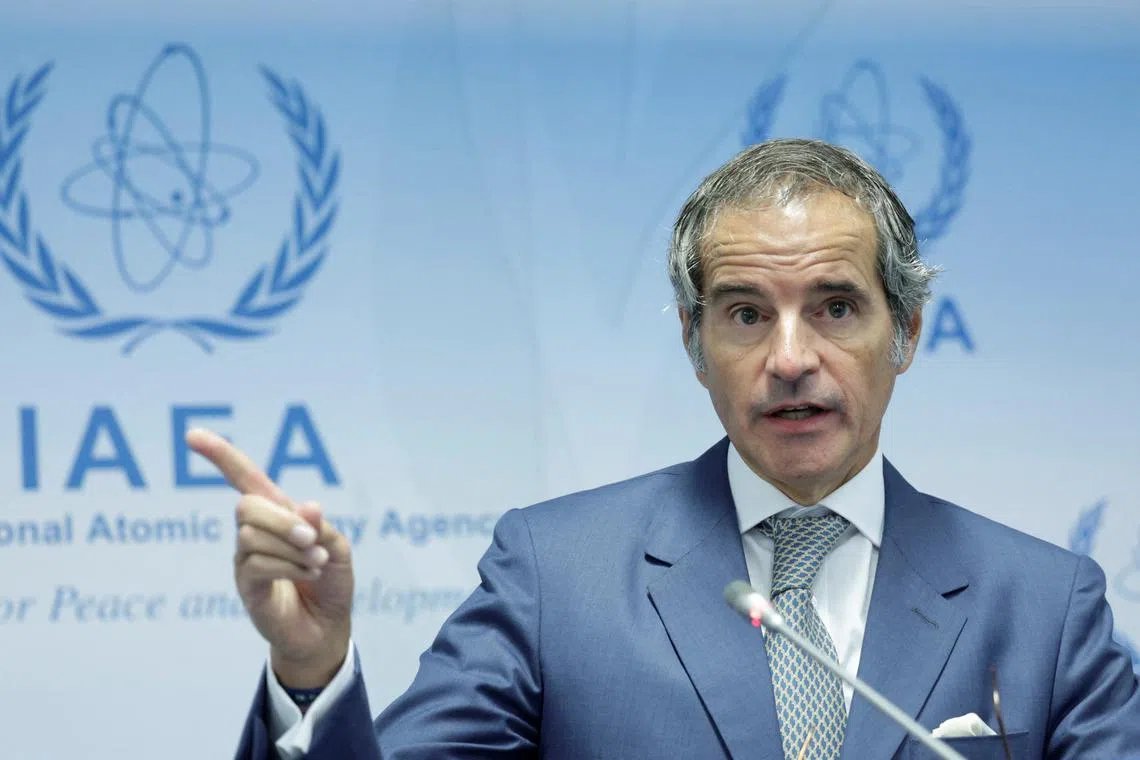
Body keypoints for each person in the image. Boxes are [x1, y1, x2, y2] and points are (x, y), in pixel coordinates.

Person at [189, 138, 1140, 760]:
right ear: (693, 344)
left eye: (837, 308)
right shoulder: (554, 575)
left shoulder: (1046, 606)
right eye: (744, 314)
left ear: (909, 333)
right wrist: (311, 670)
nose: (790, 359)